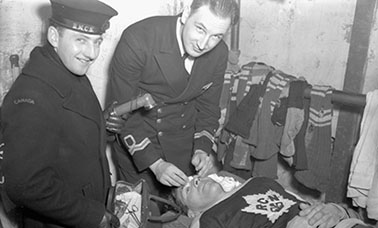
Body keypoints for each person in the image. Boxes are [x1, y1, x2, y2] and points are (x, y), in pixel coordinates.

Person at [0, 0, 123, 227]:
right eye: (81, 40)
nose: (92, 53)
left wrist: (99, 127)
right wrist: (93, 215)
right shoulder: (32, 97)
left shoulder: (67, 70)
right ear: (54, 37)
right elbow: (25, 185)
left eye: (97, 42)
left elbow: (64, 135)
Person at [105, 0, 239, 197]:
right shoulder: (138, 39)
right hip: (140, 141)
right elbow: (122, 113)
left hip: (184, 143)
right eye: (200, 29)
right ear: (185, 14)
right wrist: (156, 164)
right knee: (140, 214)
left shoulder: (219, 53)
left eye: (216, 36)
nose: (204, 44)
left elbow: (208, 108)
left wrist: (201, 149)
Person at [172, 172, 374, 228]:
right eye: (188, 189)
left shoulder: (256, 181)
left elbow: (306, 204)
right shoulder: (206, 220)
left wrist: (336, 210)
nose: (195, 181)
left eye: (194, 178)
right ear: (191, 211)